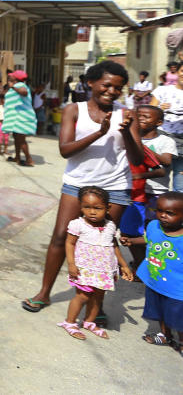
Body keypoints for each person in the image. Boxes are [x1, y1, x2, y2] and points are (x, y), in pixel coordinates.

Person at [22, 61, 142, 321]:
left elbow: (138, 158)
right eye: (106, 85)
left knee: (103, 244)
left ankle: (95, 306)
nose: (112, 91)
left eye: (118, 88)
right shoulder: (73, 110)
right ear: (90, 83)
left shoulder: (127, 114)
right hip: (78, 184)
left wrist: (128, 134)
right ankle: (44, 292)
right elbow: (65, 149)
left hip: (115, 187)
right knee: (59, 237)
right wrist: (101, 132)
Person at [57, 187, 134, 340]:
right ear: (80, 206)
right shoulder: (77, 224)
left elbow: (113, 245)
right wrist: (71, 264)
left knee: (98, 297)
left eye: (97, 208)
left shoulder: (110, 226)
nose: (92, 212)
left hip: (104, 270)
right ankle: (70, 322)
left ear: (108, 208)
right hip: (84, 269)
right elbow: (70, 244)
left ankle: (90, 322)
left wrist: (123, 265)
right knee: (82, 296)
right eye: (87, 207)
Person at [119, 105, 177, 270]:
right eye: (139, 116)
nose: (142, 119)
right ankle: (140, 264)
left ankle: (152, 264)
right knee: (130, 231)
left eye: (146, 116)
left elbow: (165, 163)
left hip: (155, 194)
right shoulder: (130, 138)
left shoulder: (165, 140)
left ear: (159, 122)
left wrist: (140, 147)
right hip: (132, 193)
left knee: (153, 232)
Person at [122, 192, 183, 348]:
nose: (162, 215)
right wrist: (132, 241)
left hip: (177, 288)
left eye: (170, 213)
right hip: (155, 280)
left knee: (178, 317)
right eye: (159, 210)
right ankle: (165, 335)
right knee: (160, 311)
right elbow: (149, 239)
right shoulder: (154, 226)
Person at [150, 72, 183, 190]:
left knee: (180, 185)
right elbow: (149, 112)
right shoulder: (163, 90)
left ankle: (177, 207)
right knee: (157, 182)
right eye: (182, 70)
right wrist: (160, 109)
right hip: (162, 137)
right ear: (178, 73)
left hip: (182, 142)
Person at [4, 70, 38, 167]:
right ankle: (17, 157)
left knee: (21, 139)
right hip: (16, 116)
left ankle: (29, 159)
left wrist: (13, 87)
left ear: (17, 78)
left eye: (12, 76)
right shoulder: (16, 85)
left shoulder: (19, 85)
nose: (10, 76)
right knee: (16, 137)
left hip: (21, 116)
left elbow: (24, 92)